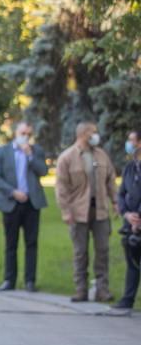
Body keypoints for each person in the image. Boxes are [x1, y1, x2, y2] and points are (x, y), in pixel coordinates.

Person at [55, 122, 118, 302]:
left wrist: (115, 202)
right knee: (81, 252)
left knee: (102, 250)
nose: (97, 135)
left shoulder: (101, 155)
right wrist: (65, 211)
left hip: (100, 211)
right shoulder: (67, 157)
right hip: (78, 212)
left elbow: (111, 180)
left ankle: (102, 288)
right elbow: (61, 187)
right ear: (83, 134)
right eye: (94, 132)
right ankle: (81, 289)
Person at [0, 121, 48, 292]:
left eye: (29, 134)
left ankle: (30, 280)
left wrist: (30, 156)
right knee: (11, 243)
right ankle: (9, 280)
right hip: (11, 203)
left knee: (31, 243)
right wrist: (13, 192)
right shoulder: (3, 151)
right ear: (16, 133)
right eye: (23, 133)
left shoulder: (36, 151)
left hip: (32, 203)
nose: (26, 137)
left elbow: (43, 171)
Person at [113, 129, 141, 312]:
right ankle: (127, 299)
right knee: (132, 262)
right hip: (130, 223)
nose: (129, 143)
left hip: (138, 221)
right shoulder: (130, 167)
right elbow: (121, 193)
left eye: (131, 140)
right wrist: (127, 215)